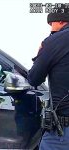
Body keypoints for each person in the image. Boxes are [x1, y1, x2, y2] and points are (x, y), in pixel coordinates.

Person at [27, 4, 69, 150]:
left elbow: (34, 79)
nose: (50, 27)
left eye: (51, 23)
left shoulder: (54, 41)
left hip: (63, 132)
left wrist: (39, 55)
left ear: (62, 21)